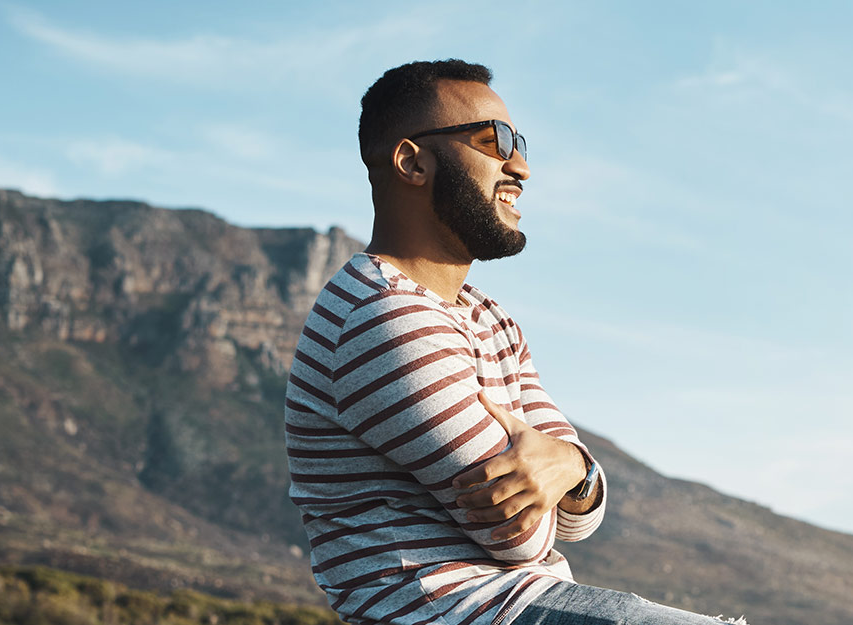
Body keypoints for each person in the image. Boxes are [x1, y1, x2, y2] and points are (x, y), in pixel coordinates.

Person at [283, 60, 745, 625]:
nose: (520, 166)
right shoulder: (380, 317)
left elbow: (581, 515)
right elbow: (517, 536)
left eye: (519, 143)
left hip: (525, 604)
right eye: (493, 141)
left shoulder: (491, 318)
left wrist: (570, 464)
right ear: (412, 162)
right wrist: (564, 471)